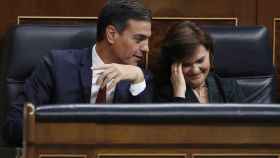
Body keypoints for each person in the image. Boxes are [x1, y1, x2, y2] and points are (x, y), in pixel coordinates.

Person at [3, 0, 153, 146]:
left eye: (147, 40)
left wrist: (138, 81)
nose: (146, 48)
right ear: (111, 34)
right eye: (139, 39)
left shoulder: (140, 78)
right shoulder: (57, 66)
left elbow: (150, 138)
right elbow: (14, 128)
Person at [155, 21, 244, 103]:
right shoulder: (163, 93)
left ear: (210, 55)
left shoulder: (229, 88)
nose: (195, 70)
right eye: (186, 64)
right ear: (173, 64)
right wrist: (179, 95)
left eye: (200, 61)